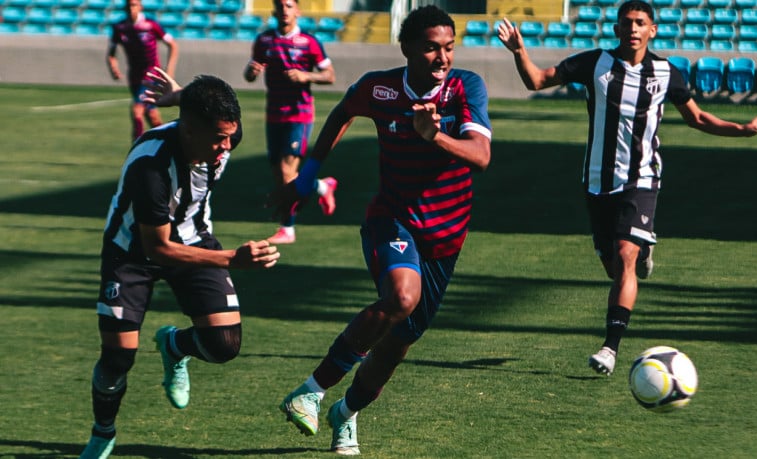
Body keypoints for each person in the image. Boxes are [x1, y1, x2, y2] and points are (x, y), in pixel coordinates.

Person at [496, 0, 757, 376]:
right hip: (597, 182)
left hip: (641, 179)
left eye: (640, 22)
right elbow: (537, 81)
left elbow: (697, 117)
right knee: (614, 266)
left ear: (652, 30)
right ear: (616, 29)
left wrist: (744, 128)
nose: (633, 28)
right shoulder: (594, 62)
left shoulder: (666, 72)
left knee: (625, 254)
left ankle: (610, 348)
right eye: (627, 22)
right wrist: (520, 51)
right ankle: (640, 255)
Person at [277, 5, 491, 455]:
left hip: (447, 239)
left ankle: (345, 415)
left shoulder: (464, 88)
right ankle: (312, 389)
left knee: (397, 344)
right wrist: (307, 174)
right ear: (408, 48)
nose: (443, 57)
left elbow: (481, 155)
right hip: (391, 219)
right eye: (432, 48)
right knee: (401, 298)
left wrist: (435, 138)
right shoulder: (380, 88)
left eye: (449, 47)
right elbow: (340, 114)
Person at [79, 73, 281, 459]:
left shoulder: (220, 133)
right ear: (188, 131)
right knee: (118, 357)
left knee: (223, 345)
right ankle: (103, 432)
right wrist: (233, 260)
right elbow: (158, 248)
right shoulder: (150, 166)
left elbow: (209, 109)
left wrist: (180, 96)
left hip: (194, 237)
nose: (227, 147)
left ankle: (174, 345)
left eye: (230, 136)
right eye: (218, 138)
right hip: (133, 253)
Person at [243, 0, 337, 244]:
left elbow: (330, 75)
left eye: (289, 6)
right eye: (280, 6)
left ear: (297, 11)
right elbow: (250, 73)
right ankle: (321, 186)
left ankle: (288, 228)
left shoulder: (309, 42)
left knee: (286, 173)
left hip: (300, 113)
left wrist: (306, 75)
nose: (284, 10)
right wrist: (251, 72)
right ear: (275, 11)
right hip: (274, 114)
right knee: (280, 175)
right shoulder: (264, 41)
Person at [107, 0, 179, 142]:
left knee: (137, 110)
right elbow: (111, 53)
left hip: (151, 74)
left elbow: (173, 45)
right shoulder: (119, 27)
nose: (131, 9)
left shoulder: (151, 25)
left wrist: (169, 69)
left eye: (134, 5)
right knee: (152, 116)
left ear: (140, 6)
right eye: (128, 6)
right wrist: (113, 67)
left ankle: (136, 147)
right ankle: (170, 144)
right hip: (134, 76)